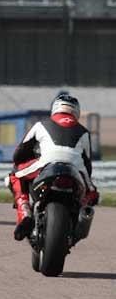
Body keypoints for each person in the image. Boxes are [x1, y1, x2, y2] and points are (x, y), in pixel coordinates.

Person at [6, 92, 99, 240]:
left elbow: (18, 154)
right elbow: (87, 164)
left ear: (55, 108)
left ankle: (24, 211)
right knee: (93, 194)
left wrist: (28, 158)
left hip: (46, 163)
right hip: (75, 170)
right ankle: (80, 213)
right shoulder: (84, 132)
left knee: (14, 176)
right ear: (76, 111)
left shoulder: (40, 125)